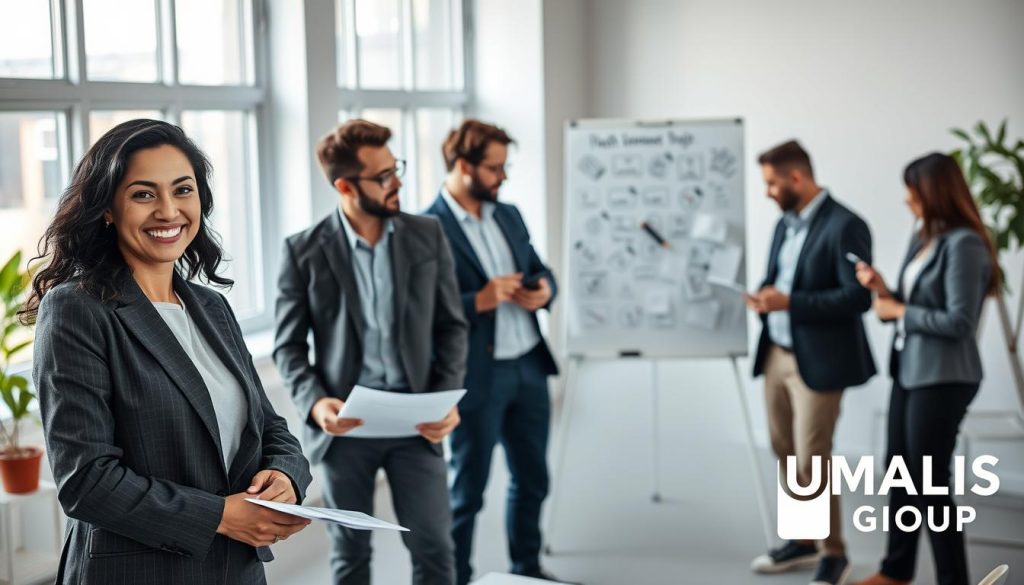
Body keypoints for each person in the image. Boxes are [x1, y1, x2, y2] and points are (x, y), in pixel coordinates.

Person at [27, 119, 313, 585]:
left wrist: (286, 477)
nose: (168, 210)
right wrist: (220, 515)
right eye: (143, 194)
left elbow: (270, 428)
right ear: (107, 209)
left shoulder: (211, 307)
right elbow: (87, 483)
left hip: (235, 571)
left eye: (183, 190)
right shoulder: (77, 310)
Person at [274, 119, 468, 585]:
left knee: (436, 549)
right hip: (346, 427)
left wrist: (445, 400)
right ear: (345, 185)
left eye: (394, 168)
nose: (397, 181)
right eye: (383, 176)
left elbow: (452, 327)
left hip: (416, 422)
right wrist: (316, 403)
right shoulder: (303, 251)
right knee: (350, 555)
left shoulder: (428, 235)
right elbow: (289, 346)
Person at [424, 119, 570, 585]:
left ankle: (527, 569)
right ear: (463, 166)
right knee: (467, 491)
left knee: (533, 479)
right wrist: (478, 301)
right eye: (494, 168)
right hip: (476, 375)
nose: (503, 177)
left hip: (528, 362)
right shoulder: (427, 229)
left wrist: (545, 289)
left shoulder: (509, 214)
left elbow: (540, 269)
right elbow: (418, 312)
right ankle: (457, 578)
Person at [851, 153, 996, 585]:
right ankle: (896, 571)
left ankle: (954, 580)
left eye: (911, 190)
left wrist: (898, 309)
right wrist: (884, 290)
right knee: (899, 470)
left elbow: (959, 322)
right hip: (911, 371)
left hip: (946, 377)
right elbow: (916, 302)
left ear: (932, 192)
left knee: (930, 484)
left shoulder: (965, 244)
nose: (905, 199)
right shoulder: (924, 237)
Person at [744, 140, 876, 585]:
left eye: (771, 183)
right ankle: (803, 540)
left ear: (796, 178)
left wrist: (790, 302)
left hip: (817, 362)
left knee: (812, 458)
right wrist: (765, 296)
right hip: (776, 353)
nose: (767, 192)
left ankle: (833, 552)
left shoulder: (846, 225)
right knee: (785, 451)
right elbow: (777, 278)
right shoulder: (785, 224)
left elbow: (858, 297)